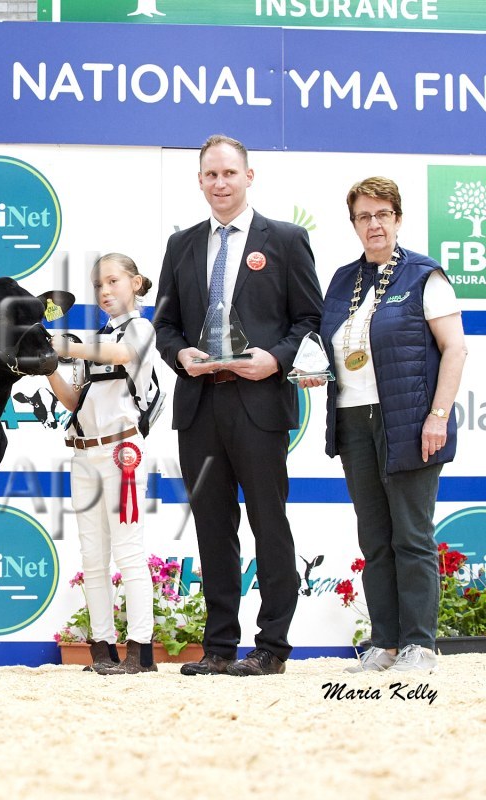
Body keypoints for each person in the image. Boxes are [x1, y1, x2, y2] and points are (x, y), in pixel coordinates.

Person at [153, 134, 322, 677]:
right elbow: (164, 325)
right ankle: (219, 646)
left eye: (229, 173)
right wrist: (181, 355)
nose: (220, 183)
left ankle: (272, 646)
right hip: (200, 405)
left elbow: (310, 320)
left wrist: (275, 359)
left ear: (249, 177)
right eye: (211, 174)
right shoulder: (181, 245)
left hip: (259, 403)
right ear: (200, 181)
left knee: (269, 523)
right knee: (211, 526)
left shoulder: (287, 240)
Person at [299, 177, 466, 674]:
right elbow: (332, 347)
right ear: (354, 224)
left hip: (409, 421)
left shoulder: (423, 276)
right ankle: (385, 644)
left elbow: (455, 349)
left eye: (382, 214)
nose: (373, 224)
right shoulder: (342, 280)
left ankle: (419, 645)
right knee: (374, 538)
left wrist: (437, 416)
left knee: (411, 536)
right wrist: (315, 371)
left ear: (398, 218)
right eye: (363, 216)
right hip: (352, 419)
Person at [47, 253, 160, 675]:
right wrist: (48, 369)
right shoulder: (95, 338)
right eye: (99, 285)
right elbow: (73, 400)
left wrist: (65, 345)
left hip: (120, 452)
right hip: (84, 452)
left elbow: (123, 354)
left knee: (128, 551)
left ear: (136, 283)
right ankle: (102, 648)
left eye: (113, 281)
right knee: (92, 555)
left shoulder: (140, 329)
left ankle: (140, 651)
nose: (105, 291)